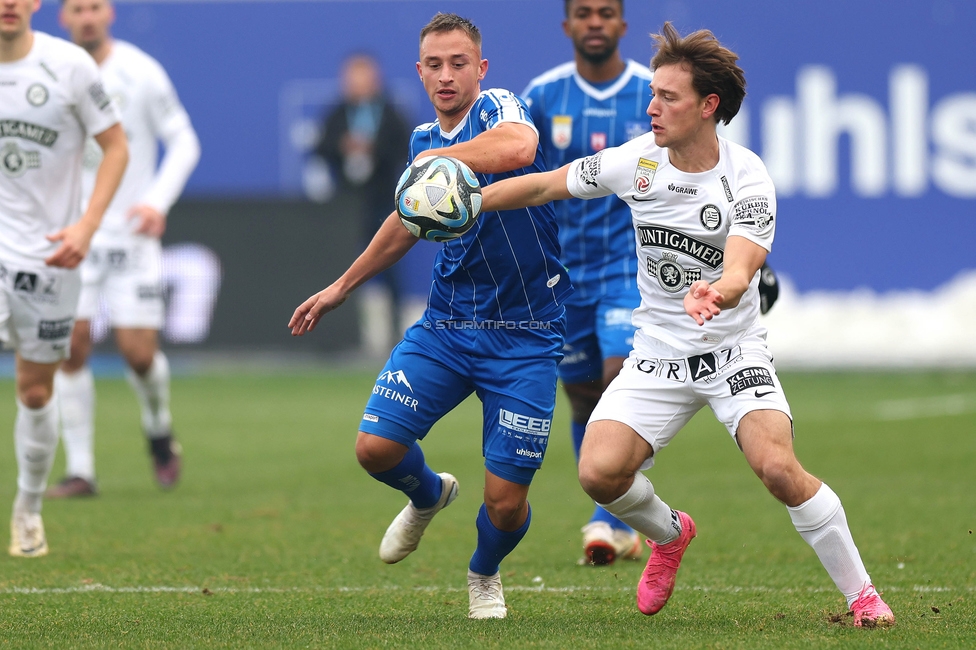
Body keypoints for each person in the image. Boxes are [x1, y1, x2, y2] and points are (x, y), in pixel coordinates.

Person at [479, 22, 894, 627]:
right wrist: (471, 198)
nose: (652, 107)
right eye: (652, 94)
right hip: (659, 352)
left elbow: (743, 264)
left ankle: (864, 598)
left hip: (733, 353)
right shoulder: (635, 162)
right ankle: (670, 535)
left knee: (777, 468)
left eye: (668, 97)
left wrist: (719, 292)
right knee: (598, 472)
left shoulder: (747, 177)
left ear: (708, 106)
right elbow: (548, 183)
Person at [290, 13, 571, 619]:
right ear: (419, 73)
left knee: (503, 502)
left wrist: (441, 162)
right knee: (374, 449)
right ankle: (428, 495)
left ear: (481, 68)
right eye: (434, 66)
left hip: (526, 334)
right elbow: (403, 223)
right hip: (447, 324)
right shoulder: (421, 143)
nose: (447, 76)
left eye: (459, 63)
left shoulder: (499, 108)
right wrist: (342, 285)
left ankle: (484, 573)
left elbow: (521, 148)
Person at [523, 0, 781, 567]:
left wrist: (737, 268)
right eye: (583, 13)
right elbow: (533, 176)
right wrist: (472, 199)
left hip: (629, 273)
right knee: (584, 395)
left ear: (620, 24)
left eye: (606, 12)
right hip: (565, 271)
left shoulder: (662, 87)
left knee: (617, 369)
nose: (594, 22)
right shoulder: (542, 95)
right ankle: (633, 512)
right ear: (567, 26)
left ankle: (606, 520)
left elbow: (722, 192)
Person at [45, 0, 200, 498]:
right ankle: (81, 471)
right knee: (72, 344)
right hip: (73, 233)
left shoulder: (140, 71)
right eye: (76, 9)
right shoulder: (50, 70)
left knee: (138, 354)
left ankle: (158, 427)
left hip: (132, 235)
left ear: (108, 13)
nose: (86, 17)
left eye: (94, 7)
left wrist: (156, 201)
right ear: (63, 18)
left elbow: (183, 142)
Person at [0, 0, 127, 556]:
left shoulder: (70, 66)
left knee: (34, 389)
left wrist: (87, 226)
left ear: (33, 4)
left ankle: (28, 508)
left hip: (50, 259)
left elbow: (116, 147)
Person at [314, 53, 412, 357]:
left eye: (363, 75)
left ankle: (397, 331)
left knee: (389, 263)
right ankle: (340, 331)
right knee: (342, 264)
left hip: (383, 200)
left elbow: (403, 149)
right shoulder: (338, 113)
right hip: (346, 204)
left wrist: (374, 148)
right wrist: (344, 146)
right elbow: (321, 147)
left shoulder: (390, 111)